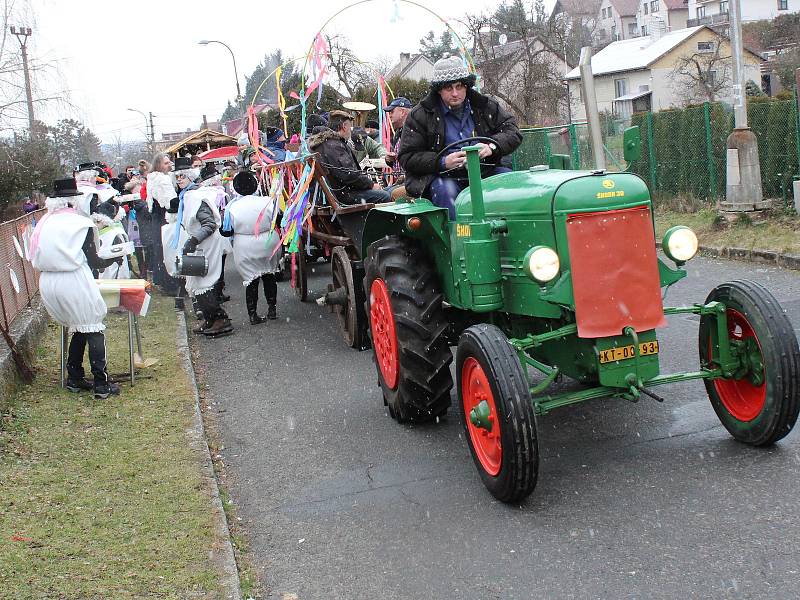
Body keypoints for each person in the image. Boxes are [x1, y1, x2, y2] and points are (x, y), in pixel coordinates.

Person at [398, 55, 522, 219]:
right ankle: (457, 239)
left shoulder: (485, 106)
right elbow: (407, 156)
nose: (455, 93)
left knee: (510, 184)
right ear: (439, 89)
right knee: (445, 191)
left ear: (467, 86)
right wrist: (442, 161)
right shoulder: (419, 115)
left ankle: (511, 233)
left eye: (459, 86)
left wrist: (491, 147)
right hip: (442, 176)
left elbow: (512, 131)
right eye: (449, 88)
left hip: (485, 170)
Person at [30, 177, 121, 399]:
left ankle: (75, 377)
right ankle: (101, 383)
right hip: (73, 279)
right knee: (93, 325)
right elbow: (95, 261)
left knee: (79, 327)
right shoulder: (81, 224)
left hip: (49, 282)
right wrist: (115, 257)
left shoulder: (43, 223)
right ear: (74, 202)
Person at [173, 158, 234, 337]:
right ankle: (210, 318)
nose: (179, 180)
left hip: (206, 244)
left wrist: (193, 240)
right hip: (199, 244)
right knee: (197, 282)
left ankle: (220, 319)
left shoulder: (196, 197)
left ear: (191, 177)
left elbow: (209, 224)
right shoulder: (187, 196)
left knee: (204, 282)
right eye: (177, 177)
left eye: (182, 176)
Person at [221, 170, 281, 324]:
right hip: (269, 242)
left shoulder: (231, 208)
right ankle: (272, 309)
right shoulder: (268, 201)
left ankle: (252, 314)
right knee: (269, 276)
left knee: (251, 280)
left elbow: (226, 231)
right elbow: (279, 220)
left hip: (245, 247)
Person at [308, 110, 390, 206]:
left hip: (332, 195)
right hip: (343, 196)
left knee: (386, 190)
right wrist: (371, 184)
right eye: (349, 127)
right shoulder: (335, 145)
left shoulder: (326, 144)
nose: (350, 131)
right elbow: (348, 175)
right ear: (344, 126)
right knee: (385, 196)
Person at [146, 152, 181, 293]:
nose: (169, 165)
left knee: (159, 249)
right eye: (166, 163)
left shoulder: (152, 178)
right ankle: (169, 283)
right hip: (163, 216)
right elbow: (170, 202)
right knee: (166, 249)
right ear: (159, 165)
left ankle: (161, 279)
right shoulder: (162, 179)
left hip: (156, 216)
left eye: (169, 162)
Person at [91, 200, 131, 280]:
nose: (95, 224)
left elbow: (122, 262)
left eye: (98, 221)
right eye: (94, 221)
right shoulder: (96, 234)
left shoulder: (115, 234)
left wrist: (121, 280)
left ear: (105, 222)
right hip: (100, 275)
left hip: (113, 278)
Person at [383, 96, 412, 197]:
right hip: (401, 181)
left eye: (392, 111)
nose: (389, 115)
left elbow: (418, 160)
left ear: (402, 112)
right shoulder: (398, 132)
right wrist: (389, 160)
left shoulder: (415, 130)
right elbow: (399, 162)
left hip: (413, 181)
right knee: (382, 193)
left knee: (386, 195)